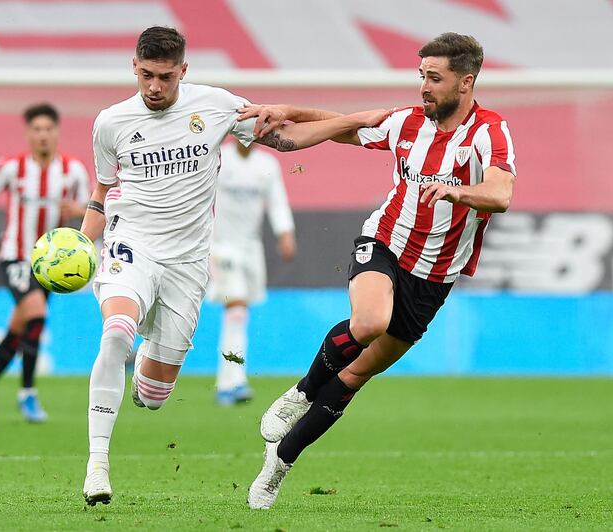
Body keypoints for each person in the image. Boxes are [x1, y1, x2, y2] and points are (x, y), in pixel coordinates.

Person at [77, 26, 387, 506]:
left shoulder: (216, 105)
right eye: (145, 76)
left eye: (164, 77)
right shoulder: (111, 123)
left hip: (188, 262)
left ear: (183, 70)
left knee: (155, 395)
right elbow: (101, 194)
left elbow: (286, 139)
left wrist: (358, 120)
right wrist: (81, 243)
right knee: (116, 330)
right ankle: (97, 465)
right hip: (131, 243)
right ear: (132, 68)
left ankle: (142, 372)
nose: (155, 87)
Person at [243, 32, 517, 509]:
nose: (424, 87)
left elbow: (501, 194)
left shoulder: (489, 132)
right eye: (421, 77)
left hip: (434, 276)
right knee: (368, 322)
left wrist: (459, 193)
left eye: (435, 78)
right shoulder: (408, 124)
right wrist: (284, 113)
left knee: (353, 377)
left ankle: (279, 463)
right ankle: (301, 393)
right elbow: (342, 124)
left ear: (466, 82)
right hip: (385, 243)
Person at [0, 103, 91, 426]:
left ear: (57, 132)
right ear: (28, 134)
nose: (42, 136)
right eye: (36, 130)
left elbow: (92, 208)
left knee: (21, 327)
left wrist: (76, 209)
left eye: (48, 129)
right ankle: (27, 393)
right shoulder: (11, 167)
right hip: (16, 256)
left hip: (52, 265)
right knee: (36, 312)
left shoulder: (73, 170)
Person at [209, 139, 296, 406]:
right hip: (220, 245)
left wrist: (285, 233)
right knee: (237, 307)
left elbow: (277, 201)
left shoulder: (266, 164)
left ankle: (229, 382)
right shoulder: (218, 157)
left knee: (240, 312)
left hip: (251, 247)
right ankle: (232, 382)